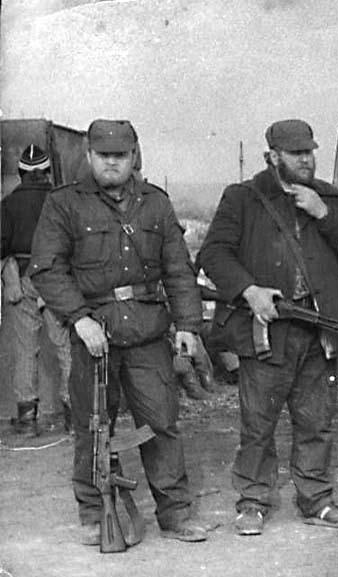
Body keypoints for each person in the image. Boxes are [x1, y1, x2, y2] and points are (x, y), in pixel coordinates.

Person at [28, 119, 207, 544]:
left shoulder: (156, 203)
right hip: (96, 334)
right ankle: (95, 514)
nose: (112, 163)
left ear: (133, 157)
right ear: (89, 156)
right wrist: (79, 318)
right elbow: (46, 268)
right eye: (104, 155)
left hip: (148, 332)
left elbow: (178, 269)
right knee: (93, 427)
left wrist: (188, 325)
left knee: (162, 423)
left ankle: (175, 514)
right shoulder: (64, 204)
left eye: (120, 155)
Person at [197, 119, 338, 535]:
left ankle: (316, 500)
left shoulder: (328, 197)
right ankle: (253, 501)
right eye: (296, 153)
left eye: (309, 152)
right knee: (258, 423)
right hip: (267, 328)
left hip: (318, 328)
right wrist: (249, 290)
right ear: (272, 156)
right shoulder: (243, 198)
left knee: (316, 421)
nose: (306, 160)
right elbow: (214, 254)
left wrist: (323, 213)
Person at [1, 144, 73, 435]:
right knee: (65, 346)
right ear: (47, 172)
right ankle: (73, 416)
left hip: (22, 278)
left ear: (21, 173)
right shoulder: (63, 201)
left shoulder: (7, 205)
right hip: (57, 279)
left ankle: (27, 420)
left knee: (25, 349)